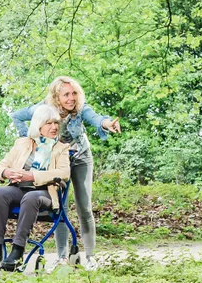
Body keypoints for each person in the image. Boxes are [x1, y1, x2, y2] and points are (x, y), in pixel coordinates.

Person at [9, 76, 120, 269]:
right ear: (56, 96)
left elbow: (95, 118)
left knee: (84, 207)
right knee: (60, 207)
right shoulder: (42, 110)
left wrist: (107, 123)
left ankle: (90, 257)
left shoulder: (80, 109)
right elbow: (17, 116)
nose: (71, 98)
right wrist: (28, 139)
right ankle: (62, 257)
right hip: (58, 160)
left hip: (81, 158)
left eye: (74, 93)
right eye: (66, 94)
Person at [0, 104, 71, 271]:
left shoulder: (61, 148)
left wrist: (32, 176)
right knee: (0, 192)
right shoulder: (22, 143)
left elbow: (64, 173)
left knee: (31, 197)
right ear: (38, 125)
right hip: (19, 188)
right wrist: (8, 172)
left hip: (44, 192)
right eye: (49, 123)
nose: (54, 127)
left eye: (56, 123)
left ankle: (18, 250)